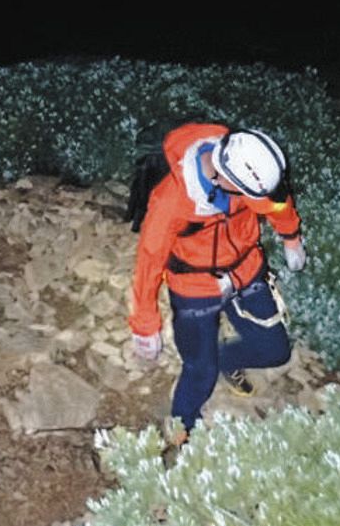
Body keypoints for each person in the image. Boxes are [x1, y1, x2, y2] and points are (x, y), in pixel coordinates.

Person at [128, 124, 307, 433]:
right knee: (200, 371)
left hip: (245, 270)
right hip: (194, 287)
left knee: (276, 351)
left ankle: (225, 359)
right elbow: (149, 260)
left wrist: (291, 238)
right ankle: (183, 428)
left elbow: (278, 203)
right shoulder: (172, 202)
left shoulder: (244, 170)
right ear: (224, 178)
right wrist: (145, 324)